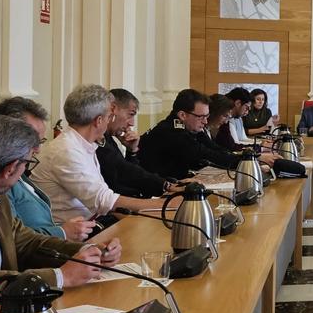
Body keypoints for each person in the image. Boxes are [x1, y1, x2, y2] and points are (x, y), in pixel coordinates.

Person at [0, 115, 117, 288]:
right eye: (28, 163)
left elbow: (27, 242)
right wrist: (60, 277)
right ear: (11, 168)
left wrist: (87, 251)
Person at [30, 84, 162, 224]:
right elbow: (104, 201)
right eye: (109, 117)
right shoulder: (66, 150)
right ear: (99, 121)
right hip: (72, 235)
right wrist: (164, 206)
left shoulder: (82, 144)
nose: (109, 121)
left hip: (93, 222)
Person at [0, 97, 94, 241]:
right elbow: (12, 239)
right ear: (6, 137)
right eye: (32, 140)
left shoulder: (19, 172)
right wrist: (62, 232)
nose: (38, 149)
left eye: (40, 141)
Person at [140, 88, 275, 180]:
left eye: (207, 116)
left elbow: (214, 148)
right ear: (182, 115)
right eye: (201, 117)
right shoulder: (172, 132)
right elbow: (207, 154)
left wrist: (252, 159)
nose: (205, 121)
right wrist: (252, 162)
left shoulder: (188, 126)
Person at [98, 88, 172, 199]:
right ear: (113, 109)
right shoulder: (98, 139)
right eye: (130, 114)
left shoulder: (108, 138)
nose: (132, 123)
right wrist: (166, 186)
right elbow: (123, 173)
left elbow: (128, 174)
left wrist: (132, 151)